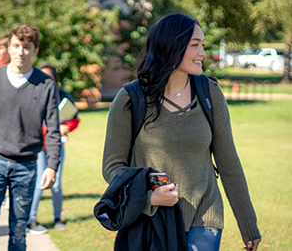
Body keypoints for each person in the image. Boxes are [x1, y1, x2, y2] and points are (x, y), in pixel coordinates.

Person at [102, 13, 261, 251]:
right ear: (171, 47)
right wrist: (148, 199)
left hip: (205, 219)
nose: (203, 53)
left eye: (203, 45)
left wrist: (248, 224)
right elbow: (112, 166)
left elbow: (229, 164)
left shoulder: (210, 93)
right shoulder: (130, 99)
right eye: (195, 45)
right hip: (151, 220)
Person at [0, 25, 61, 251]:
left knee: (19, 231)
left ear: (36, 51)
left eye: (27, 47)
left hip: (27, 166)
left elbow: (53, 128)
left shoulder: (46, 84)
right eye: (16, 46)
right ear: (9, 48)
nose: (21, 51)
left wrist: (52, 165)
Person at [27, 63, 80, 234]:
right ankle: (31, 220)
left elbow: (74, 118)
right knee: (39, 183)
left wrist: (67, 127)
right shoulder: (33, 95)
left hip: (56, 146)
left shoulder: (63, 96)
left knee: (56, 184)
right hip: (38, 146)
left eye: (49, 77)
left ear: (55, 80)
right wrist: (48, 130)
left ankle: (58, 218)